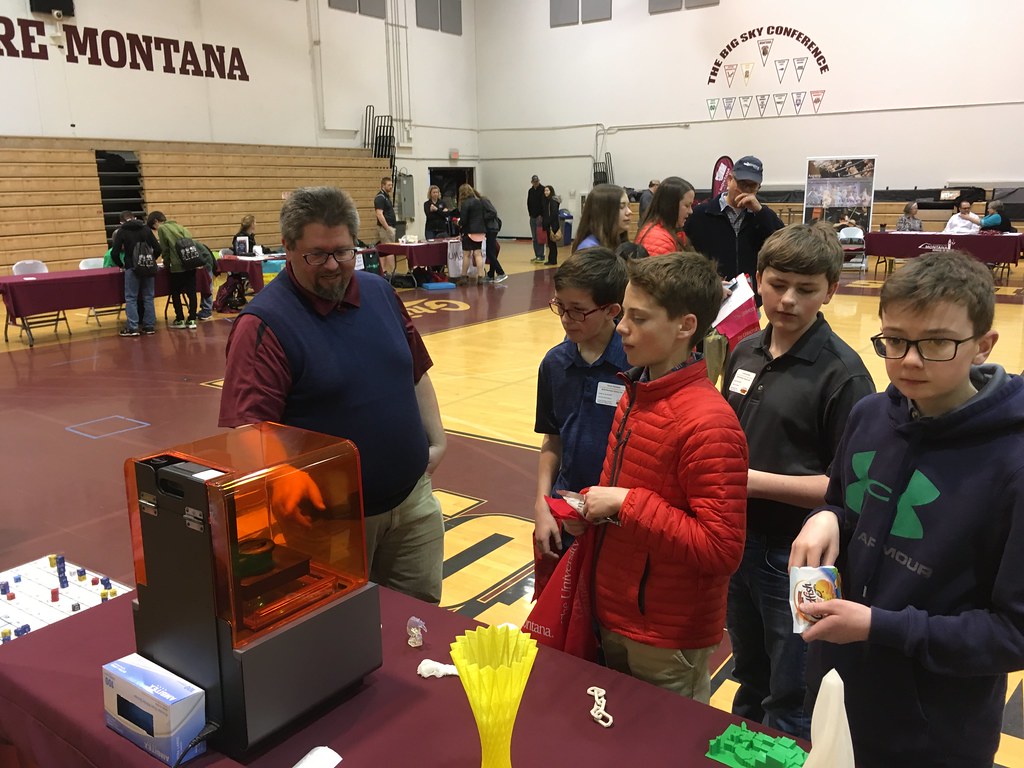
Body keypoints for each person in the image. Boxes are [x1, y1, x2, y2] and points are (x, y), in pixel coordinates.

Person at [789, 249, 1024, 767]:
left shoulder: (1013, 462)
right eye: (894, 340)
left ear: (983, 345)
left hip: (933, 733)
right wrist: (826, 516)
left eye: (936, 342)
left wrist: (881, 626)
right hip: (837, 692)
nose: (909, 361)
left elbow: (1014, 634)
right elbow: (843, 503)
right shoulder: (871, 414)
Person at [218, 186, 447, 604]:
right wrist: (288, 485)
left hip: (413, 505)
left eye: (343, 252)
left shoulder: (379, 292)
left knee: (420, 626)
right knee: (339, 636)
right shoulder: (264, 324)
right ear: (287, 248)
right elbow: (246, 431)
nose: (332, 266)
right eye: (316, 255)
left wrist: (436, 442)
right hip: (329, 526)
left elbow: (414, 369)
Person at [567, 253, 748, 702]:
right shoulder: (637, 391)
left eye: (638, 318)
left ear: (685, 326)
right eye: (623, 314)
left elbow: (722, 549)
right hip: (615, 611)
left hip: (665, 637)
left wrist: (624, 504)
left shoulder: (710, 423)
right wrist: (591, 509)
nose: (621, 327)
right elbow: (627, 494)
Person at [722, 223, 875, 739]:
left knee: (792, 691)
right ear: (758, 278)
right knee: (748, 674)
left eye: (805, 289)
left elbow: (847, 491)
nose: (787, 299)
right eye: (777, 283)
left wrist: (749, 481)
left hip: (795, 558)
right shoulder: (744, 351)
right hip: (735, 540)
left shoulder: (844, 376)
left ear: (831, 290)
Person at [534, 248, 629, 571]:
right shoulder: (554, 364)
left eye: (578, 311)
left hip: (620, 522)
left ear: (611, 310)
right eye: (560, 306)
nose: (565, 319)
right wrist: (542, 505)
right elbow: (552, 440)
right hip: (566, 516)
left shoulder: (637, 367)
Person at [684, 155, 785, 289]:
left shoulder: (762, 216)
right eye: (742, 184)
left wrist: (760, 212)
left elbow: (783, 243)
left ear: (758, 188)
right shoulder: (701, 214)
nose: (746, 190)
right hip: (711, 294)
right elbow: (685, 255)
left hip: (750, 298)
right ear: (729, 180)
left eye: (752, 186)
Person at [109, 210, 161, 337]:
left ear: (121, 221)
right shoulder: (146, 229)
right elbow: (158, 248)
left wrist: (122, 265)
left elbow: (114, 253)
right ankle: (149, 326)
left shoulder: (122, 231)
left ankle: (133, 327)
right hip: (147, 266)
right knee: (148, 296)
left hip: (131, 267)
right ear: (135, 217)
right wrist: (151, 260)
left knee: (131, 298)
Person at [149, 211, 198, 330]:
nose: (155, 230)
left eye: (153, 228)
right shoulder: (181, 227)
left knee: (175, 292)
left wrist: (166, 263)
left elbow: (165, 249)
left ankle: (180, 319)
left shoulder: (163, 229)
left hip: (177, 266)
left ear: (156, 222)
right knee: (191, 292)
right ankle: (191, 319)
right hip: (191, 264)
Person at [635, 176, 695, 256]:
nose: (691, 211)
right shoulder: (657, 239)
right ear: (671, 205)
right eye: (687, 205)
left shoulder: (670, 231)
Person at [571, 184, 631, 253]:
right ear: (604, 212)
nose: (629, 212)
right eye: (621, 207)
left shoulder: (619, 243)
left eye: (628, 206)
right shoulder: (589, 249)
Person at [457, 184, 487, 286]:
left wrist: (458, 223)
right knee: (478, 254)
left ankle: (464, 277)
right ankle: (480, 277)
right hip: (479, 231)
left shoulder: (465, 203)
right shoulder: (479, 202)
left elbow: (464, 220)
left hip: (469, 232)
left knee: (466, 255)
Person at [479, 192, 508, 283]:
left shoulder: (483, 201)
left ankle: (501, 272)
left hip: (491, 228)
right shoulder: (482, 201)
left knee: (490, 252)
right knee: (492, 251)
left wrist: (482, 218)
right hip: (490, 229)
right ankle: (491, 274)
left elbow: (493, 212)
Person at [375, 176, 398, 277]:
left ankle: (383, 271)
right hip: (385, 228)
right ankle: (393, 272)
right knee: (390, 250)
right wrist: (387, 228)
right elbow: (379, 214)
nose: (391, 187)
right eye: (389, 185)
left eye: (391, 185)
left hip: (389, 226)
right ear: (383, 185)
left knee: (384, 250)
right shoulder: (380, 197)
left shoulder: (386, 197)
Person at [540, 185, 561, 265]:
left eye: (547, 190)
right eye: (545, 191)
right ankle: (551, 259)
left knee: (552, 243)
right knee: (551, 243)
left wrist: (548, 223)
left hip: (552, 225)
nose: (546, 192)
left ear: (551, 191)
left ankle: (552, 260)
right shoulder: (547, 200)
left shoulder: (552, 201)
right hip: (550, 224)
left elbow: (553, 213)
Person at [528, 174, 546, 263]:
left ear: (539, 181)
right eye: (534, 182)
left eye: (537, 181)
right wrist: (530, 214)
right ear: (532, 182)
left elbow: (544, 204)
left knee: (540, 236)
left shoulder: (543, 190)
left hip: (540, 217)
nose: (536, 183)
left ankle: (541, 255)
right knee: (534, 237)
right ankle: (537, 255)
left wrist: (541, 215)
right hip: (532, 217)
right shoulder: (530, 191)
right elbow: (528, 203)